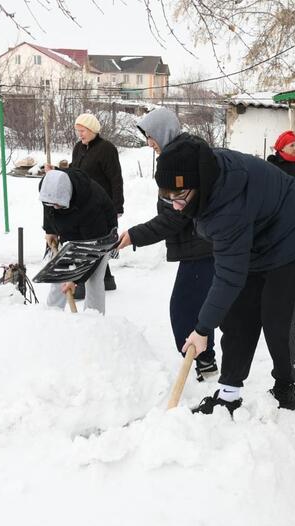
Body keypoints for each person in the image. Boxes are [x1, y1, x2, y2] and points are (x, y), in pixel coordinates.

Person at [155, 135, 295, 415]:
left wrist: (202, 329)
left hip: (289, 241)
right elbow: (231, 275)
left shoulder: (226, 204)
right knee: (237, 319)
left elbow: (229, 276)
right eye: (166, 197)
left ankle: (284, 387)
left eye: (179, 197)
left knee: (279, 323)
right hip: (253, 239)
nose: (175, 205)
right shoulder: (202, 184)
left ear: (199, 184)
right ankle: (229, 393)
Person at [116, 108, 218, 382]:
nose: (149, 142)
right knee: (195, 309)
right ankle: (205, 362)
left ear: (163, 132)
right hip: (199, 247)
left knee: (184, 310)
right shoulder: (177, 155)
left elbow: (175, 217)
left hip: (202, 248)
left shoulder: (181, 160)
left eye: (151, 136)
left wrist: (135, 235)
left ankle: (205, 363)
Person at [39, 168, 117, 314]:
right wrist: (50, 230)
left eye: (59, 205)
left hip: (100, 238)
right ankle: (51, 318)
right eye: (52, 204)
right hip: (72, 232)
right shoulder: (50, 185)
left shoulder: (92, 204)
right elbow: (48, 208)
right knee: (59, 276)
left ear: (68, 196)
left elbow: (93, 253)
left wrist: (74, 279)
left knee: (93, 280)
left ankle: (94, 322)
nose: (55, 207)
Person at [70, 113, 123, 294]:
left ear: (92, 130)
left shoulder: (107, 149)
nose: (80, 134)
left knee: (92, 241)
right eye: (78, 131)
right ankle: (106, 279)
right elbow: (74, 171)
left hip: (102, 205)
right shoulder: (78, 148)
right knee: (92, 241)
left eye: (83, 131)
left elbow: (116, 178)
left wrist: (117, 206)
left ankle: (83, 283)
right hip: (82, 204)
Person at [266, 130, 295, 207]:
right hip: (282, 210)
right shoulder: (274, 164)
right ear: (282, 148)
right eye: (291, 146)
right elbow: (269, 190)